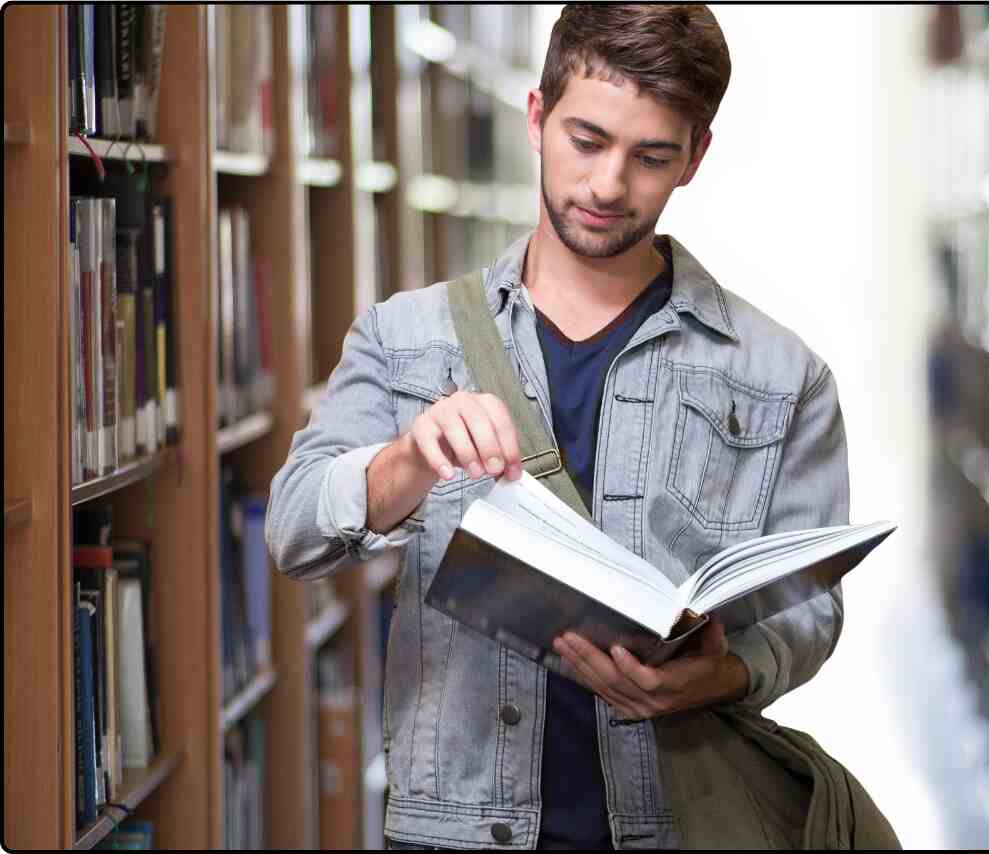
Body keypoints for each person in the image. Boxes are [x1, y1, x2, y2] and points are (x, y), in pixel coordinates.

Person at [266, 4, 850, 849]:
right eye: (587, 140)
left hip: (677, 824)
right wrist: (406, 460)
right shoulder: (405, 338)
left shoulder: (782, 374)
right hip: (456, 831)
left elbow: (812, 609)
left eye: (651, 156)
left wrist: (721, 674)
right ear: (536, 118)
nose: (609, 186)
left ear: (696, 156)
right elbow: (292, 531)